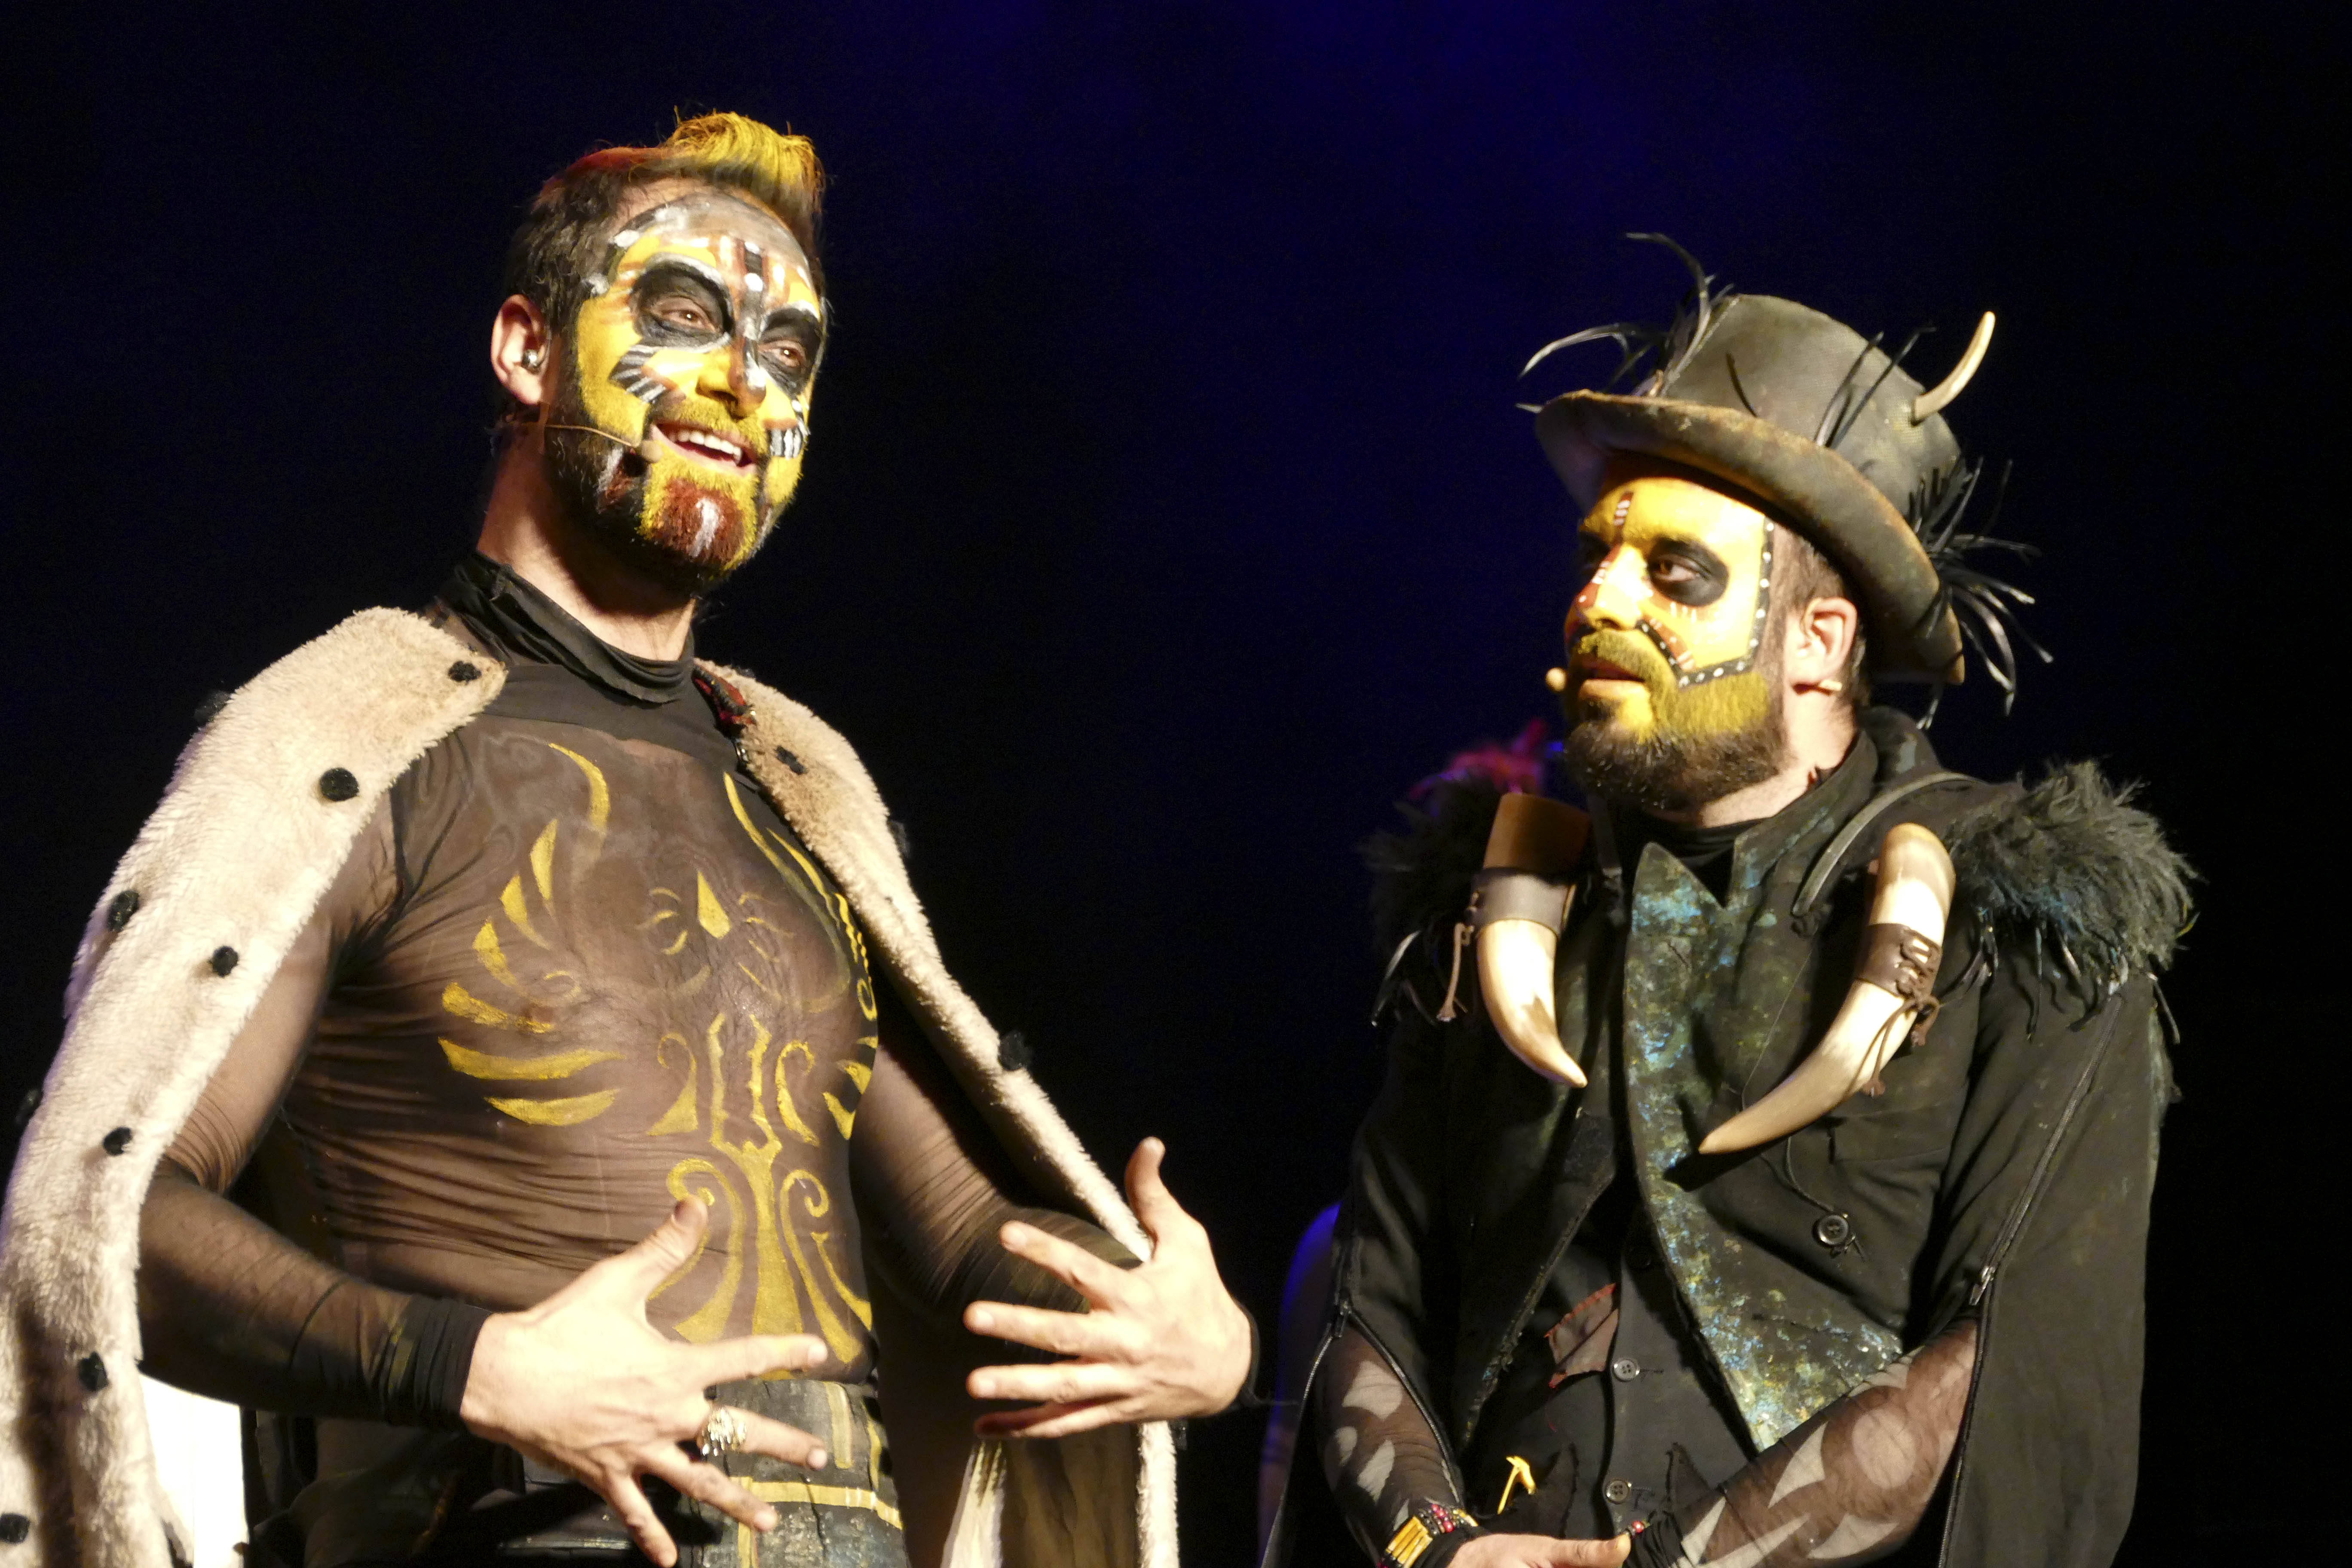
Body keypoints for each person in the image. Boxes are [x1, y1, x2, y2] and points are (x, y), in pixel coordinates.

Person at [0, 113, 1249, 1568]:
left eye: (790, 352)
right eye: (685, 317)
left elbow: (971, 1235)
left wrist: (1173, 1324)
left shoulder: (797, 786)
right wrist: (479, 1367)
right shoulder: (343, 742)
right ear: (528, 351)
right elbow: (101, 1219)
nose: (743, 382)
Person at [1266, 252, 2187, 1568]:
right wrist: (1435, 1546)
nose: (1600, 600)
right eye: (1599, 554)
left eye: (1677, 572)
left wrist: (1678, 1564)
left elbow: (2008, 1358)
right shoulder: (1492, 918)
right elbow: (1377, 1298)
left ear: (1821, 641)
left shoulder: (2021, 929)